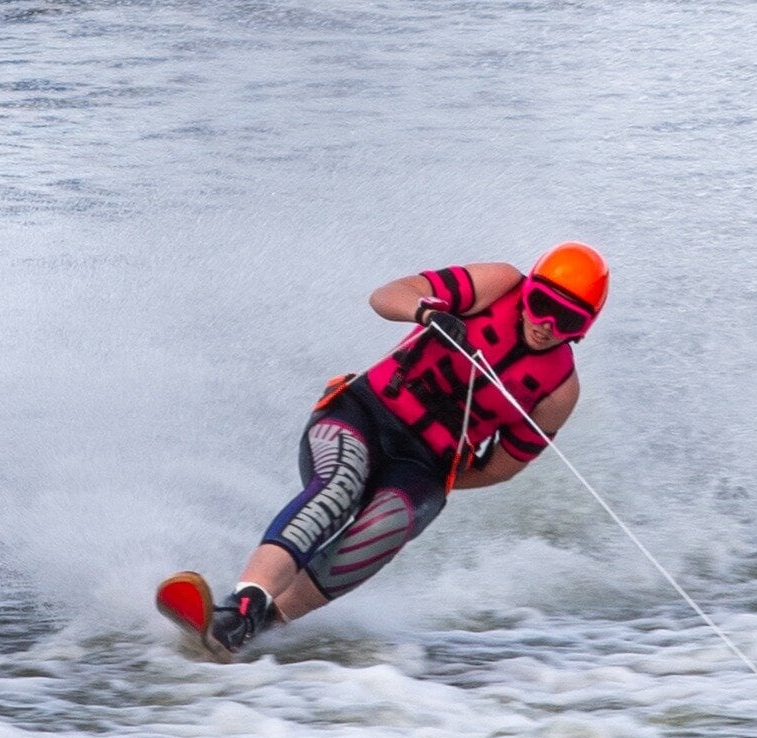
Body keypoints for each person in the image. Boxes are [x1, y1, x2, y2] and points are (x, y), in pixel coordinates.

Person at [204, 242, 609, 655]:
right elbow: (385, 295)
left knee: (390, 522)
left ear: (582, 329)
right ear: (528, 291)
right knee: (341, 484)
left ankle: (261, 625)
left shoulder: (559, 392)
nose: (546, 325)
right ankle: (243, 604)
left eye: (566, 321)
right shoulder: (498, 282)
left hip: (422, 466)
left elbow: (500, 468)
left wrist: (430, 478)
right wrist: (428, 312)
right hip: (361, 415)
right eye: (541, 305)